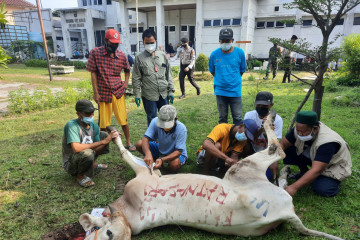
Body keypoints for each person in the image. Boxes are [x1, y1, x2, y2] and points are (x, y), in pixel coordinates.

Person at [280, 111, 352, 197]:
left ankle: (326, 180)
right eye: (297, 130)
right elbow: (282, 144)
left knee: (323, 189)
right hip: (316, 157)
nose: (299, 134)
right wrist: (274, 160)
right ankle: (304, 172)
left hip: (332, 166)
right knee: (289, 147)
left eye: (303, 132)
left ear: (315, 129)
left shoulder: (328, 142)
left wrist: (294, 187)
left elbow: (317, 170)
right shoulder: (300, 129)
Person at [86, 29, 136, 152]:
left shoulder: (122, 55)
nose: (114, 46)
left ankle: (128, 142)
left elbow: (127, 70)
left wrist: (125, 83)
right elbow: (93, 73)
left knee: (123, 119)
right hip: (103, 93)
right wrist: (95, 93)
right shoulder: (95, 53)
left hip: (118, 92)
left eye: (116, 44)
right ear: (105, 41)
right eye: (112, 43)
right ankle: (102, 145)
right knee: (103, 123)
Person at [62, 100, 119, 188]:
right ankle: (80, 175)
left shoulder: (93, 126)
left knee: (103, 135)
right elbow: (76, 148)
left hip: (87, 154)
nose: (91, 116)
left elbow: (96, 149)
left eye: (92, 113)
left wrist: (107, 140)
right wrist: (102, 142)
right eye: (87, 113)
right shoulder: (72, 126)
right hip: (71, 162)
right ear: (78, 114)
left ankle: (92, 164)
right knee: (88, 152)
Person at [132, 29, 175, 126]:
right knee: (152, 119)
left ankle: (165, 138)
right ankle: (154, 140)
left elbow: (169, 74)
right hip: (149, 95)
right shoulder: (139, 58)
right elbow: (136, 77)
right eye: (147, 43)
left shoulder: (162, 55)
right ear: (143, 42)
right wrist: (137, 95)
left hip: (163, 94)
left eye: (152, 42)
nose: (150, 45)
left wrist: (171, 90)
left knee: (166, 117)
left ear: (155, 41)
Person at [209, 28, 247, 125]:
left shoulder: (240, 53)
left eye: (228, 40)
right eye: (223, 41)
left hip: (235, 91)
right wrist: (222, 80)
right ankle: (224, 138)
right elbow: (213, 71)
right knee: (222, 118)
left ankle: (236, 139)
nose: (225, 43)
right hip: (220, 91)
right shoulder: (214, 54)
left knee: (238, 118)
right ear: (219, 41)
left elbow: (242, 70)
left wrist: (233, 80)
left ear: (232, 40)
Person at [135, 105, 187, 172]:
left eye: (167, 124)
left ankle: (162, 162)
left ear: (175, 119)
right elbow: (145, 138)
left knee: (174, 164)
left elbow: (178, 151)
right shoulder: (155, 121)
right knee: (139, 143)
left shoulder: (181, 129)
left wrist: (162, 159)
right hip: (161, 149)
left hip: (176, 154)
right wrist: (148, 153)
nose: (164, 127)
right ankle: (153, 160)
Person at [244, 91, 283, 180]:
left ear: (271, 105)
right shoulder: (249, 115)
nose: (261, 108)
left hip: (266, 152)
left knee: (267, 176)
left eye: (264, 106)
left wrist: (268, 132)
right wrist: (261, 128)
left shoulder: (277, 120)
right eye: (258, 106)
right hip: (251, 149)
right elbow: (248, 138)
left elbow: (274, 145)